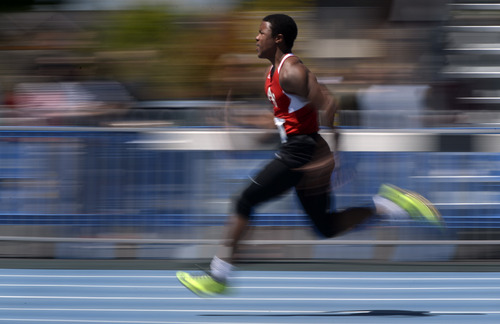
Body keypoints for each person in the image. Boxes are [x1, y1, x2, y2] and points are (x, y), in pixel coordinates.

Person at [177, 14, 442, 297]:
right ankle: (390, 205)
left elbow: (329, 103)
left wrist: (331, 156)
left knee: (244, 200)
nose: (256, 38)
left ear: (277, 38)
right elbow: (280, 120)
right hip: (299, 150)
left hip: (302, 153)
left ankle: (219, 276)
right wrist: (243, 123)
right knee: (325, 226)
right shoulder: (272, 74)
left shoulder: (292, 71)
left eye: (261, 32)